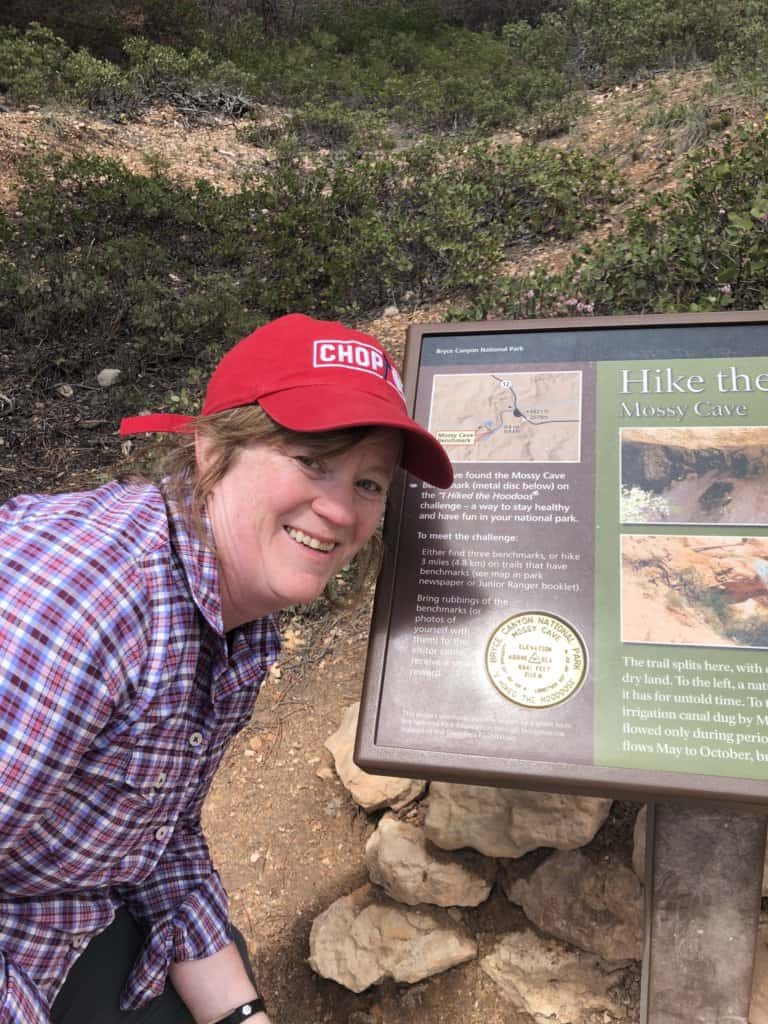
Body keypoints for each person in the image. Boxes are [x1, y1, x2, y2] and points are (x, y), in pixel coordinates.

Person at [0, 313, 453, 1024]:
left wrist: (242, 1015)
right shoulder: (81, 612)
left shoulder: (236, 606)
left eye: (369, 483)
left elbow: (159, 826)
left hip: (69, 906)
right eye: (312, 460)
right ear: (212, 451)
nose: (338, 510)